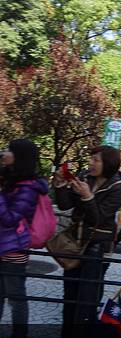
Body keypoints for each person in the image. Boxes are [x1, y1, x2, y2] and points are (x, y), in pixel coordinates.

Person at [53, 146, 121, 338]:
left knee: (87, 298)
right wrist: (60, 186)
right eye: (91, 159)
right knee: (70, 294)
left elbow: (98, 218)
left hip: (97, 247)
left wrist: (88, 197)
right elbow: (65, 204)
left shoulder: (117, 188)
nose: (91, 163)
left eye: (96, 160)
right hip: (75, 242)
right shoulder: (85, 177)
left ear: (107, 163)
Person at [0, 139, 48, 338]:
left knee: (16, 297)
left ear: (19, 157)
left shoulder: (27, 188)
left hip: (14, 250)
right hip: (4, 246)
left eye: (9, 149)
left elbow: (10, 218)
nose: (4, 152)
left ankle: (20, 334)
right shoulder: (12, 181)